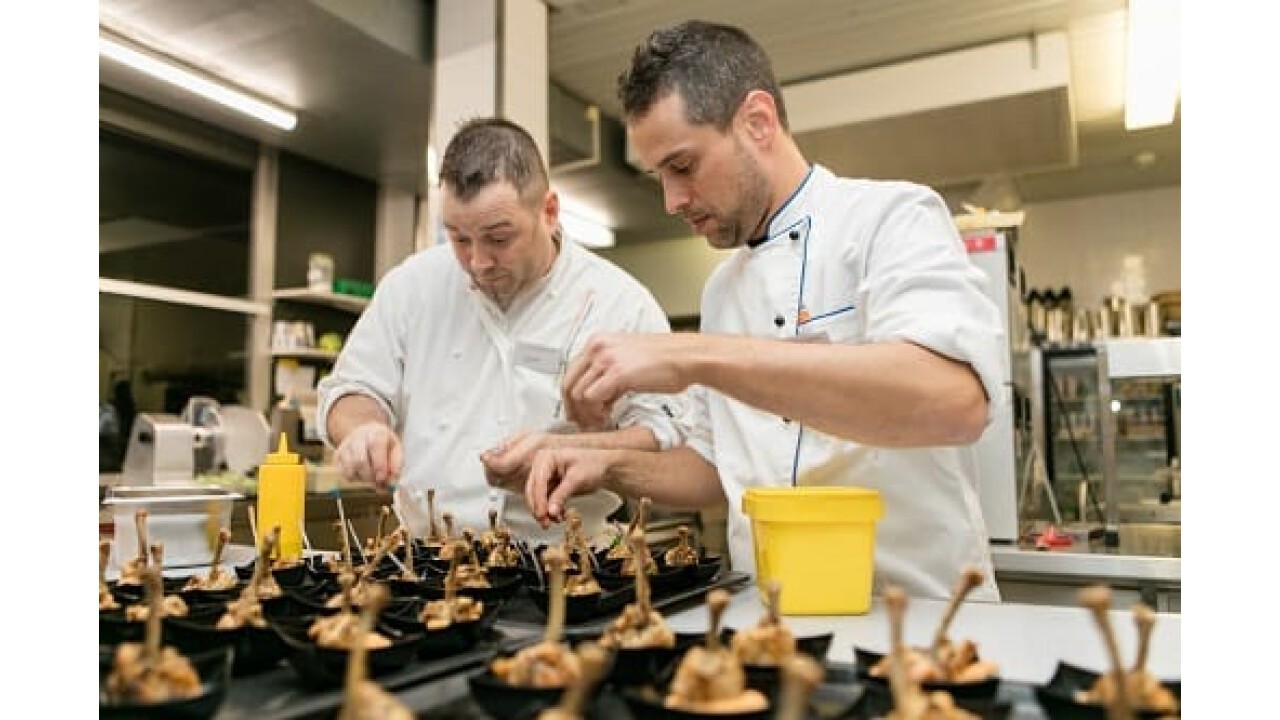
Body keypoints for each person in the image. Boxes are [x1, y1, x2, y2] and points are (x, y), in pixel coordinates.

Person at [519, 20, 1007, 601]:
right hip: (770, 621)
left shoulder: (891, 218)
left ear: (757, 122)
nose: (672, 201)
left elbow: (954, 404)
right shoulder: (723, 290)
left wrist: (693, 353)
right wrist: (599, 464)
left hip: (919, 621)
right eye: (659, 178)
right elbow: (710, 468)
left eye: (683, 167)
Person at [315, 117, 686, 547]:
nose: (477, 262)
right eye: (459, 239)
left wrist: (588, 452)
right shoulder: (411, 286)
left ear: (548, 211)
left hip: (566, 560)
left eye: (498, 238)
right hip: (426, 560)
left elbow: (667, 434)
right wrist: (364, 429)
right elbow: (351, 390)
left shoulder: (620, 304)